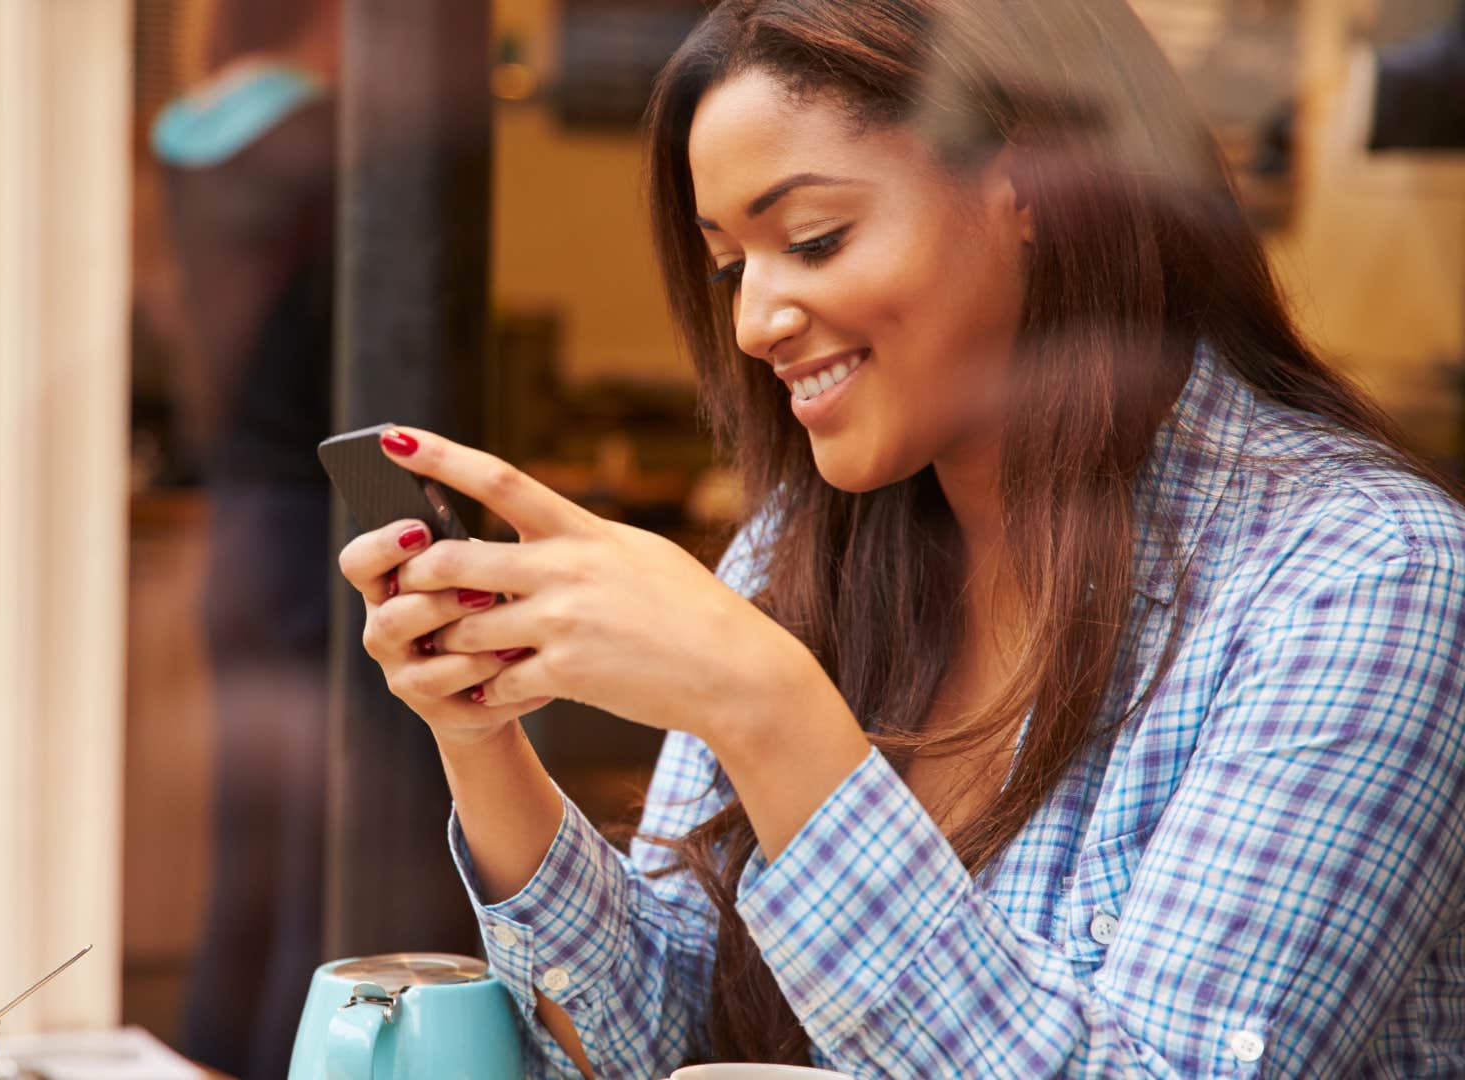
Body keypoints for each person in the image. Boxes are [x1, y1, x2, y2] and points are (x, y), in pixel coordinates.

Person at [336, 0, 1465, 1075]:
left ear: (1032, 185)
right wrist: (480, 732)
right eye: (731, 263)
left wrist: (768, 709)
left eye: (815, 239)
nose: (753, 320)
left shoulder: (1365, 578)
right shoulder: (799, 546)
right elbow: (662, 1041)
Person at [148, 1, 337, 1074]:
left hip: (240, 529)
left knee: (250, 861)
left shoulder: (187, 141)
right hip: (317, 530)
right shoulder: (324, 143)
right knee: (324, 870)